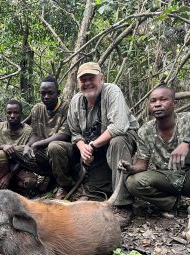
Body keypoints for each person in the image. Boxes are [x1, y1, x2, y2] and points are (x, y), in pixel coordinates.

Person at [67, 62, 139, 221]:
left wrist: (91, 145)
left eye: (91, 78)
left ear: (101, 78)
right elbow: (74, 132)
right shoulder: (76, 101)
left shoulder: (112, 91)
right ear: (78, 83)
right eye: (83, 80)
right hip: (96, 147)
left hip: (123, 139)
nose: (87, 83)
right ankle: (101, 190)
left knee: (117, 142)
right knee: (95, 191)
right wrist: (82, 148)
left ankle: (123, 205)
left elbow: (119, 127)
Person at [119, 86, 190, 217]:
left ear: (174, 103)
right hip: (166, 178)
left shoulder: (187, 119)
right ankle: (172, 204)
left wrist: (187, 143)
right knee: (133, 182)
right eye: (153, 101)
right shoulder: (145, 130)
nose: (157, 104)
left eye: (163, 100)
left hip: (188, 175)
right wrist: (131, 168)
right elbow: (142, 165)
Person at [14, 75, 78, 198]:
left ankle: (64, 186)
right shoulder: (37, 109)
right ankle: (50, 176)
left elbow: (64, 135)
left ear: (58, 93)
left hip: (65, 151)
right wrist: (28, 145)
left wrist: (37, 144)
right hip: (44, 151)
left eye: (50, 93)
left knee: (54, 147)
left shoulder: (67, 107)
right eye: (43, 93)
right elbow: (36, 134)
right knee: (16, 150)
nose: (46, 97)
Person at [0, 99, 38, 193]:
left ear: (21, 114)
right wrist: (2, 146)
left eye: (16, 113)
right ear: (6, 114)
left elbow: (27, 158)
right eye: (9, 113)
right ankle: (2, 188)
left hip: (19, 168)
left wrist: (9, 176)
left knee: (31, 182)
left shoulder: (28, 131)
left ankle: (10, 186)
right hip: (1, 167)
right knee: (1, 153)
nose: (12, 116)